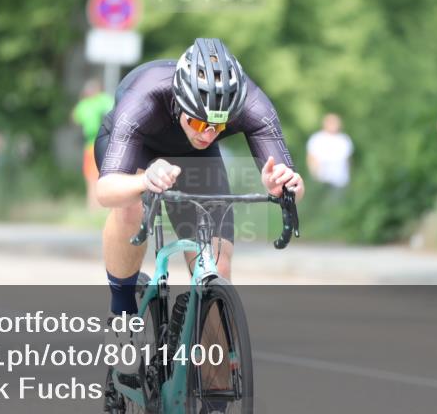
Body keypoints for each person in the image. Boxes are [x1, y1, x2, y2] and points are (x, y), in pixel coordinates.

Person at [94, 37, 305, 376]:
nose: (208, 133)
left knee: (217, 266)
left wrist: (284, 184)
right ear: (179, 104)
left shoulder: (251, 104)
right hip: (138, 150)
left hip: (194, 161)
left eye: (218, 126)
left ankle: (214, 393)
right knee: (129, 207)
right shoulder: (144, 98)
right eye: (197, 122)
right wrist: (144, 180)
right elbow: (105, 191)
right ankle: (122, 316)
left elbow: (292, 182)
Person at [71, 78, 114, 208]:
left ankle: (93, 205)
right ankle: (102, 205)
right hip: (107, 142)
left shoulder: (85, 104)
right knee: (105, 174)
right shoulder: (105, 99)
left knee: (91, 177)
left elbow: (75, 118)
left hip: (92, 144)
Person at [306, 113, 354, 193]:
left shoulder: (344, 140)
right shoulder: (317, 139)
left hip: (340, 180)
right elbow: (311, 158)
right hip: (322, 179)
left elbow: (348, 160)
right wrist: (314, 175)